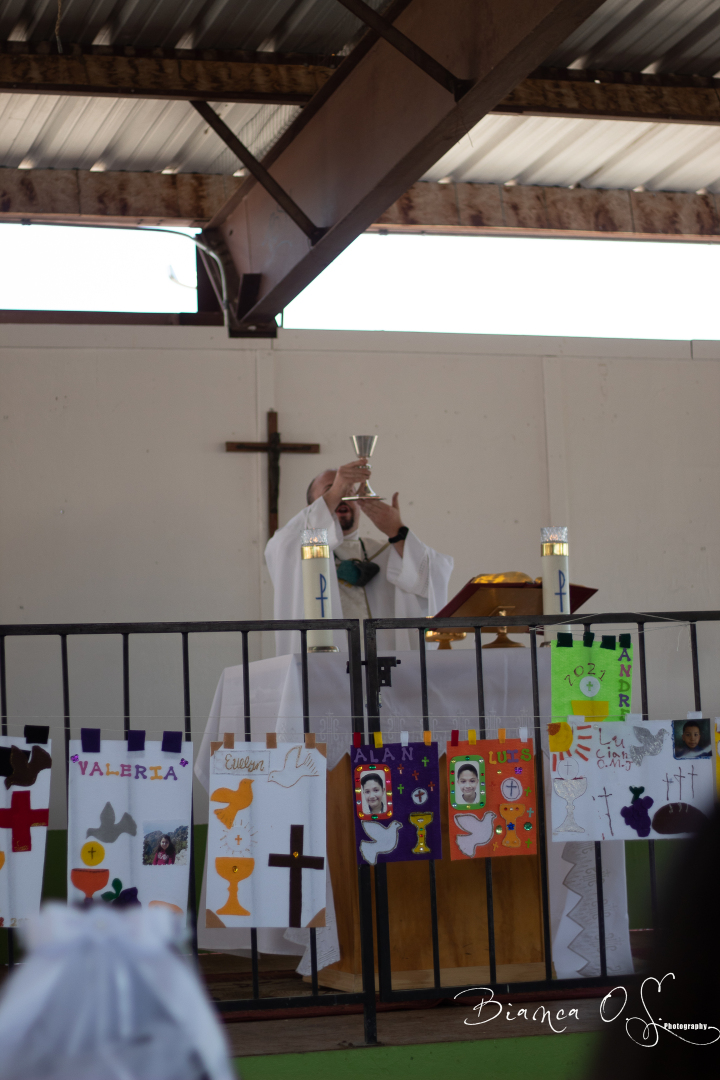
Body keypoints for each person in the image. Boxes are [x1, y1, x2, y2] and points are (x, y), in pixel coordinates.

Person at [265, 456, 454, 654]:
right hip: (329, 666)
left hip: (386, 668)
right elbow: (279, 548)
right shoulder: (299, 549)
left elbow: (432, 578)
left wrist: (397, 531)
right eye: (331, 490)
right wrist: (335, 491)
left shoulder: (387, 552)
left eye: (349, 492)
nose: (342, 497)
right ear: (311, 509)